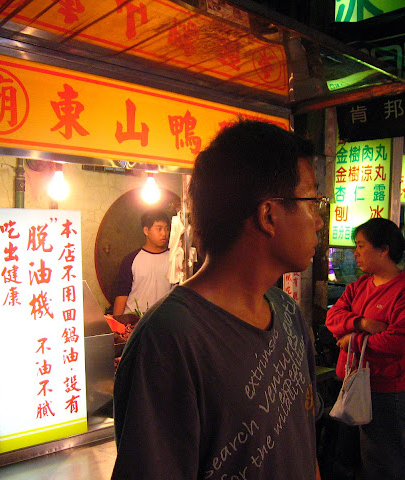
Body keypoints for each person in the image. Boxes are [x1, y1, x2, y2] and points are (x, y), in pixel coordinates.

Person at [112, 120, 324, 480]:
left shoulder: (288, 313)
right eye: (312, 201)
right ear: (268, 215)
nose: (318, 220)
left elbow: (302, 444)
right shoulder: (169, 341)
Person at [325, 218, 405, 480]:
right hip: (351, 385)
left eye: (361, 246)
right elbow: (332, 318)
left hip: (385, 392)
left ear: (383, 250)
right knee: (349, 463)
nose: (355, 253)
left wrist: (352, 340)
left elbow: (397, 343)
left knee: (383, 467)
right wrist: (362, 323)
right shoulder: (359, 286)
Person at [112, 209, 172, 316]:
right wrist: (116, 323)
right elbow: (122, 294)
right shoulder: (131, 259)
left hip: (164, 319)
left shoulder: (174, 258)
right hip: (135, 319)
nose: (164, 233)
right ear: (146, 231)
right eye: (159, 229)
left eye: (167, 229)